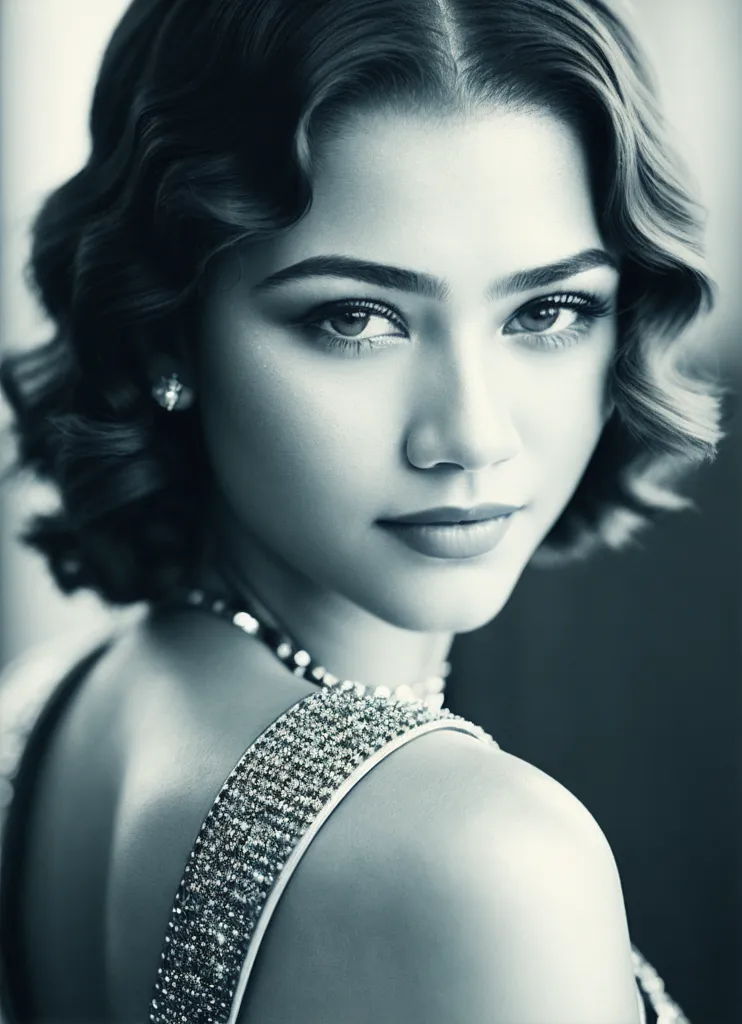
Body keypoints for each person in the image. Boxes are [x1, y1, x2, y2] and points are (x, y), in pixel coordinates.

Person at [0, 0, 723, 1021]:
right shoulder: (482, 857)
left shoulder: (44, 708)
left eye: (547, 311)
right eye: (355, 318)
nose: (471, 435)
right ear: (167, 333)